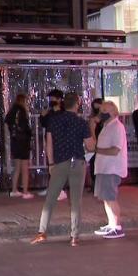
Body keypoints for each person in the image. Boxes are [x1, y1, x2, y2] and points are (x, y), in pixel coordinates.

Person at [31, 93, 94, 247]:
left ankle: (42, 232)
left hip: (59, 163)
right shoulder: (81, 122)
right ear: (77, 104)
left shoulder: (54, 121)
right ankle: (74, 236)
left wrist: (51, 163)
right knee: (76, 201)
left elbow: (49, 143)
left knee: (50, 199)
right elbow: (90, 145)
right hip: (77, 162)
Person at [93, 101, 127, 239]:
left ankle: (117, 226)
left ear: (113, 112)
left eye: (104, 111)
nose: (102, 114)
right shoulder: (106, 126)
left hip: (112, 168)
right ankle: (111, 223)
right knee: (105, 198)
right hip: (103, 168)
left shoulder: (117, 127)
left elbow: (115, 150)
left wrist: (98, 150)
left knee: (110, 197)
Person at [4, 94, 33, 199]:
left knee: (17, 167)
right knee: (25, 168)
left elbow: (7, 122)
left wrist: (12, 132)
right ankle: (25, 191)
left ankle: (14, 190)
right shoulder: (22, 112)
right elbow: (25, 127)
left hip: (15, 141)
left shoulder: (12, 111)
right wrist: (29, 134)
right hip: (23, 141)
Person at [38, 89, 66, 199]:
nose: (51, 100)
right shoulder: (50, 112)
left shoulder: (64, 112)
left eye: (53, 98)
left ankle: (61, 189)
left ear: (59, 99)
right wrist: (42, 116)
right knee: (51, 164)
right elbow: (45, 124)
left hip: (61, 141)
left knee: (60, 164)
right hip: (51, 140)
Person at [87, 98, 104, 191]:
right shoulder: (93, 119)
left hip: (103, 142)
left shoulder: (105, 118)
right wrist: (95, 142)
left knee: (99, 163)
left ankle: (99, 184)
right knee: (94, 163)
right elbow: (92, 132)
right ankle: (95, 184)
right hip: (97, 141)